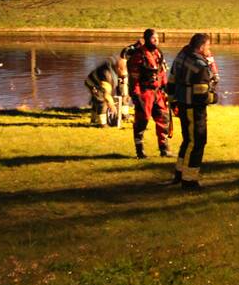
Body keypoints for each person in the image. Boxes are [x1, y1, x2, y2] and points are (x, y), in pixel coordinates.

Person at [171, 33, 218, 189]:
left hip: (182, 103)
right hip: (194, 108)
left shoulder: (180, 56)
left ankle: (179, 172)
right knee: (197, 142)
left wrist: (173, 101)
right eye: (208, 46)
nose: (209, 49)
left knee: (187, 140)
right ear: (201, 47)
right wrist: (214, 98)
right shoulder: (201, 66)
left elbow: (170, 81)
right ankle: (189, 180)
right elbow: (201, 96)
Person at [127, 28, 171, 159]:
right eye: (153, 38)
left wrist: (166, 87)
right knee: (142, 121)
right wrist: (136, 95)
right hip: (144, 92)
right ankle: (140, 151)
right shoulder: (139, 55)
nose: (156, 40)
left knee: (163, 118)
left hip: (158, 93)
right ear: (147, 39)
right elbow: (134, 78)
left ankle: (164, 149)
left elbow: (161, 73)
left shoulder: (158, 53)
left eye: (157, 38)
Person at [85, 56, 128, 126]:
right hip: (93, 83)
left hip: (98, 81)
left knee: (98, 100)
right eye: (125, 70)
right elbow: (106, 95)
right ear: (119, 69)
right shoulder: (108, 76)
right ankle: (103, 124)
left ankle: (93, 120)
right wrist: (112, 106)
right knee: (101, 101)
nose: (125, 76)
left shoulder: (114, 70)